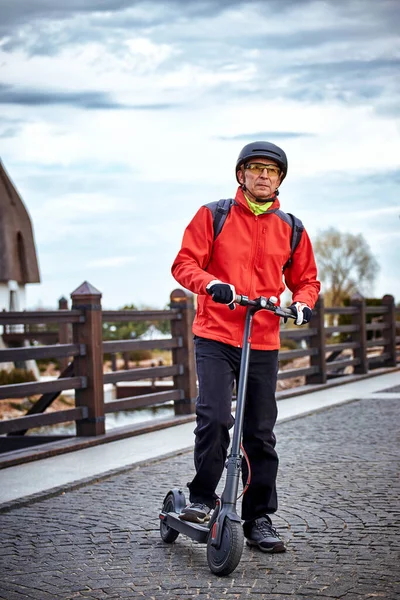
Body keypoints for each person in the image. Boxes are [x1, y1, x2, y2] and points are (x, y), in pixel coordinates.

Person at [171, 141, 320, 553]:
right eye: (255, 168)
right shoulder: (213, 215)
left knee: (259, 432)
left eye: (272, 171)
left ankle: (258, 517)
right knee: (216, 418)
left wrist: (304, 304)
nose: (264, 176)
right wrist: (211, 284)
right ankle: (201, 498)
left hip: (264, 337)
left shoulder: (291, 227)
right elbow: (184, 263)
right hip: (216, 333)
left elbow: (307, 280)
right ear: (241, 175)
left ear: (280, 180)